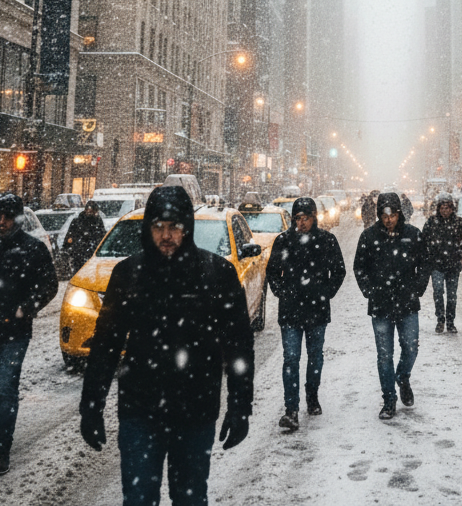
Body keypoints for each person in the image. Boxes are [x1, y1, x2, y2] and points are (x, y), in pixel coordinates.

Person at [79, 185, 253, 506]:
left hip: (196, 411)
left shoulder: (217, 274)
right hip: (140, 411)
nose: (166, 235)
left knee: (189, 499)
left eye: (174, 227)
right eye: (158, 227)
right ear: (148, 228)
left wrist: (241, 407)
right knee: (139, 499)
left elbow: (239, 346)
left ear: (188, 228)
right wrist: (92, 405)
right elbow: (106, 344)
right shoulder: (128, 274)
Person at [0, 192, 59, 475]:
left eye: (6, 217)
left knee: (7, 388)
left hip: (15, 332)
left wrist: (26, 307)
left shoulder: (33, 249)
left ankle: (1, 449)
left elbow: (49, 284)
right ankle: (0, 420)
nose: (1, 222)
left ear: (17, 220)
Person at [266, 196, 346, 431]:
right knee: (291, 358)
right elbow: (272, 271)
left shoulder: (326, 241)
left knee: (315, 356)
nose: (301, 223)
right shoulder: (284, 241)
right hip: (290, 310)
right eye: (297, 219)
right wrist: (282, 292)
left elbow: (339, 271)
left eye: (306, 218)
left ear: (314, 218)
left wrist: (326, 292)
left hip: (317, 310)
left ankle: (312, 396)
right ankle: (291, 408)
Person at [353, 191, 429, 419]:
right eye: (384, 215)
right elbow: (359, 267)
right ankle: (389, 399)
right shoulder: (369, 237)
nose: (388, 219)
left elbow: (425, 264)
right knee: (384, 355)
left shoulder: (413, 235)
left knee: (411, 348)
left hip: (407, 303)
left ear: (399, 214)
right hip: (381, 305)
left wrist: (417, 289)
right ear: (379, 214)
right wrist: (370, 291)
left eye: (392, 214)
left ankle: (403, 377)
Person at [420, 191, 462, 334]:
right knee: (438, 292)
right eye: (442, 208)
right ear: (438, 208)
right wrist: (427, 258)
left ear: (452, 208)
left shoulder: (459, 223)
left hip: (453, 265)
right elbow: (424, 241)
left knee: (452, 295)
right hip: (436, 265)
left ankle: (450, 322)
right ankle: (440, 320)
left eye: (447, 207)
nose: (445, 210)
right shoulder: (431, 222)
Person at [63, 200, 107, 274]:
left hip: (91, 255)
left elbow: (102, 236)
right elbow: (69, 237)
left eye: (92, 211)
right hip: (80, 255)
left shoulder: (98, 221)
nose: (90, 212)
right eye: (89, 210)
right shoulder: (77, 221)